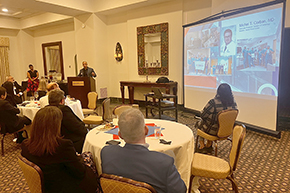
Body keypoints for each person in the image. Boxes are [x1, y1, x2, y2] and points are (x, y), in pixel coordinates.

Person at [101, 108, 186, 193]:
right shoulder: (165, 163)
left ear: (120, 135)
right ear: (146, 130)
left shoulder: (106, 153)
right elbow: (181, 191)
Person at [21, 106, 100, 193]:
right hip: (63, 187)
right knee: (89, 160)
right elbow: (79, 172)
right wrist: (78, 157)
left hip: (45, 186)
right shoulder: (62, 146)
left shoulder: (25, 145)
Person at [195, 83, 237, 153]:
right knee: (211, 122)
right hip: (227, 130)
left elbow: (203, 115)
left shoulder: (213, 102)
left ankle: (202, 145)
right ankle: (209, 145)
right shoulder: (233, 103)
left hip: (213, 131)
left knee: (200, 123)